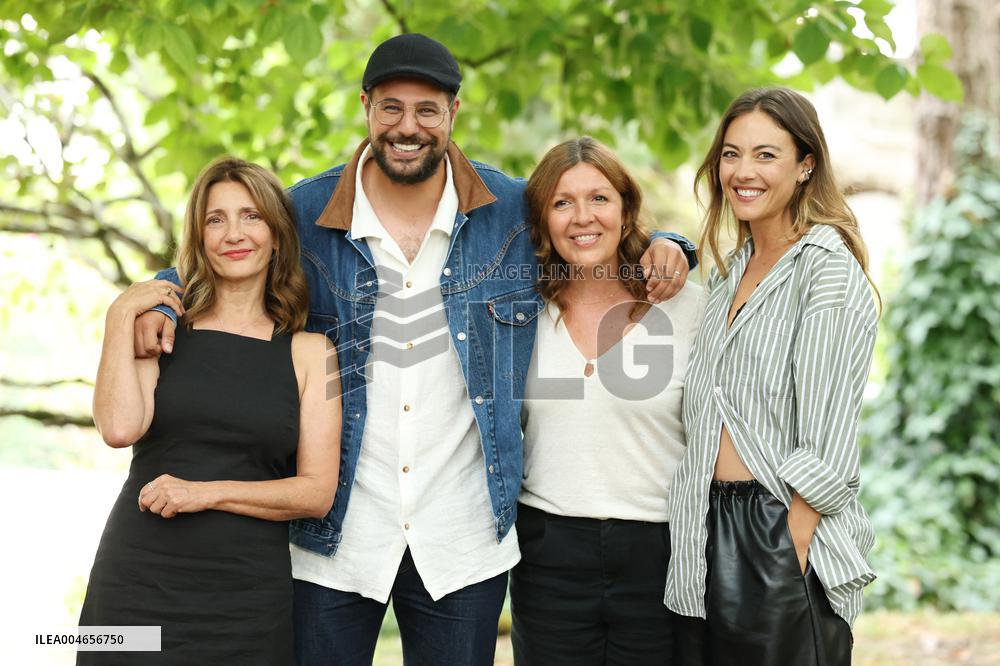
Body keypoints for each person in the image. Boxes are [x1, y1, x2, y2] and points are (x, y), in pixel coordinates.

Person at [135, 34, 697, 665]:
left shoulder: (510, 212)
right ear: (366, 107)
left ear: (454, 113)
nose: (409, 127)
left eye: (427, 110)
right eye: (391, 108)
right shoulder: (307, 212)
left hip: (462, 537)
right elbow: (221, 252)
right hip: (336, 539)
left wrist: (674, 243)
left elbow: (595, 225)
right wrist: (161, 300)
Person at [79, 158, 340, 665]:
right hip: (135, 583)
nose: (233, 233)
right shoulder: (162, 331)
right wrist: (120, 315)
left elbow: (316, 493)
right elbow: (117, 428)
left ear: (278, 237)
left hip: (246, 600)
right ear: (198, 240)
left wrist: (204, 493)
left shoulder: (314, 354)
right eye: (215, 220)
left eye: (251, 216)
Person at [664, 87, 880, 666]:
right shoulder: (731, 271)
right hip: (700, 527)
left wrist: (794, 539)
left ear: (805, 165)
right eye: (731, 154)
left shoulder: (825, 269)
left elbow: (831, 428)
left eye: (766, 155)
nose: (742, 171)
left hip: (775, 526)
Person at [511, 137, 706, 665]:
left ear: (625, 209)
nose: (582, 217)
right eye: (561, 202)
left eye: (599, 198)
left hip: (660, 552)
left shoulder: (690, 306)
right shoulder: (520, 312)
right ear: (542, 220)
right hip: (547, 552)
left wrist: (674, 243)